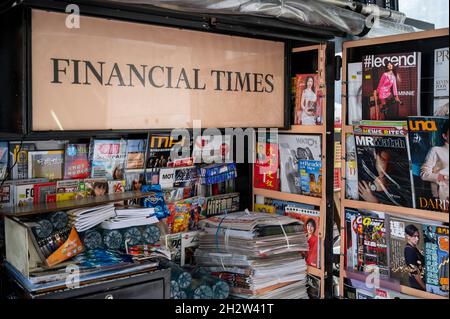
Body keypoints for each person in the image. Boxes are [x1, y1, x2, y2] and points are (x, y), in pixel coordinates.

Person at [420, 123, 449, 208]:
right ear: (444, 136)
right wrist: (442, 177)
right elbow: (424, 174)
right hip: (444, 196)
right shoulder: (436, 150)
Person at [404, 224, 426, 291]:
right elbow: (415, 274)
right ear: (408, 237)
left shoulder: (413, 248)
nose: (417, 239)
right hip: (418, 285)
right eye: (415, 236)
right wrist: (425, 288)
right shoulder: (409, 251)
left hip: (420, 282)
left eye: (418, 236)